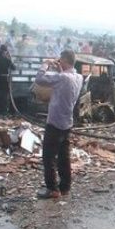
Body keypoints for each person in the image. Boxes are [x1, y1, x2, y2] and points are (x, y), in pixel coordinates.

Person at [34, 50, 83, 199]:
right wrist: (60, 68)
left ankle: (52, 188)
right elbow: (63, 80)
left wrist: (46, 64)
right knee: (64, 156)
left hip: (55, 121)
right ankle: (65, 187)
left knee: (48, 156)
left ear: (64, 60)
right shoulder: (78, 77)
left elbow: (40, 79)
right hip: (67, 121)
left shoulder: (62, 78)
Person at [0, 44, 16, 115]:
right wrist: (9, 57)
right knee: (4, 95)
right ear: (5, 51)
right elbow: (14, 68)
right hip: (4, 78)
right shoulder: (6, 59)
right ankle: (3, 110)